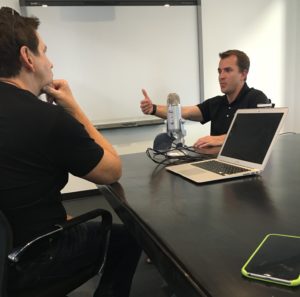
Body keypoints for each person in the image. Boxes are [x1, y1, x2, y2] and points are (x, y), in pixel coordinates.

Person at [0, 7, 141, 297]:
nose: (50, 63)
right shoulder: (47, 119)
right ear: (28, 57)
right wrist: (74, 108)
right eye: (45, 52)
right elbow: (111, 170)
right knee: (129, 238)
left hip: (7, 250)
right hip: (32, 258)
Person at [140, 49, 269, 148]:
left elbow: (255, 133)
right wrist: (153, 109)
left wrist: (219, 139)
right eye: (219, 71)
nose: (221, 76)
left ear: (243, 74)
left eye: (228, 70)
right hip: (216, 166)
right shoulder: (217, 103)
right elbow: (183, 112)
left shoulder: (256, 98)